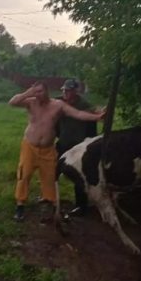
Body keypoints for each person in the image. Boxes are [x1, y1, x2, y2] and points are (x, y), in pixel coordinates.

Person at [9, 82, 104, 222]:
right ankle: (20, 205)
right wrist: (28, 92)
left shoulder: (58, 105)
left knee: (50, 177)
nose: (37, 94)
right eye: (35, 92)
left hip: (48, 148)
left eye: (40, 91)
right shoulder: (30, 102)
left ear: (47, 91)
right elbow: (12, 102)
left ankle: (53, 204)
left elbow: (78, 113)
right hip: (29, 146)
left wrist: (97, 117)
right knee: (24, 174)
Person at [55, 78, 99, 216]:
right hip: (63, 143)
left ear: (75, 91)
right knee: (54, 171)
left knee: (78, 176)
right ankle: (52, 200)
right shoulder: (59, 103)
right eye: (64, 90)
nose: (65, 93)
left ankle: (81, 205)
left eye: (68, 90)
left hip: (78, 146)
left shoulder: (83, 104)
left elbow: (93, 117)